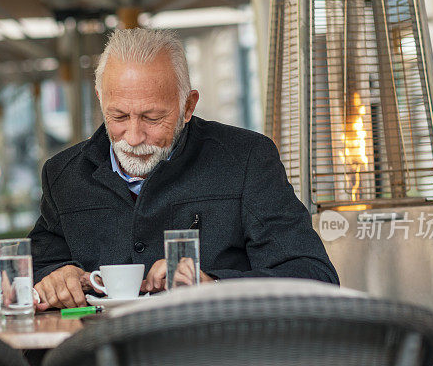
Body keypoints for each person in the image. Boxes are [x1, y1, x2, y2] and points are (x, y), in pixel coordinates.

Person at [30, 28, 338, 309]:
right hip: (102, 358)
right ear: (100, 99)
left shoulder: (247, 159)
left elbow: (314, 276)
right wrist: (54, 276)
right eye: (119, 116)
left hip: (215, 358)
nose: (134, 138)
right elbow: (32, 269)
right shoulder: (63, 175)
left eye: (152, 118)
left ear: (188, 106)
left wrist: (214, 286)